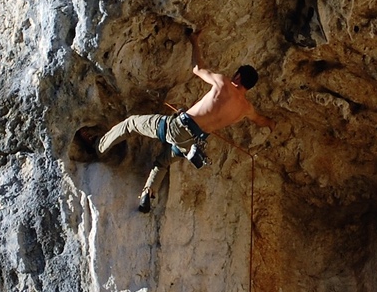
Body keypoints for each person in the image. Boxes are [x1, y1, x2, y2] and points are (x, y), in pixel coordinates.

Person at [98, 31, 273, 212]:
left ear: (237, 77)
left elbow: (197, 69)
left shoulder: (224, 84)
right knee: (163, 162)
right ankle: (147, 195)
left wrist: (194, 41)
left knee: (131, 123)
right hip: (192, 143)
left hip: (178, 127)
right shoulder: (246, 109)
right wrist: (271, 124)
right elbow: (261, 120)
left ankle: (98, 146)